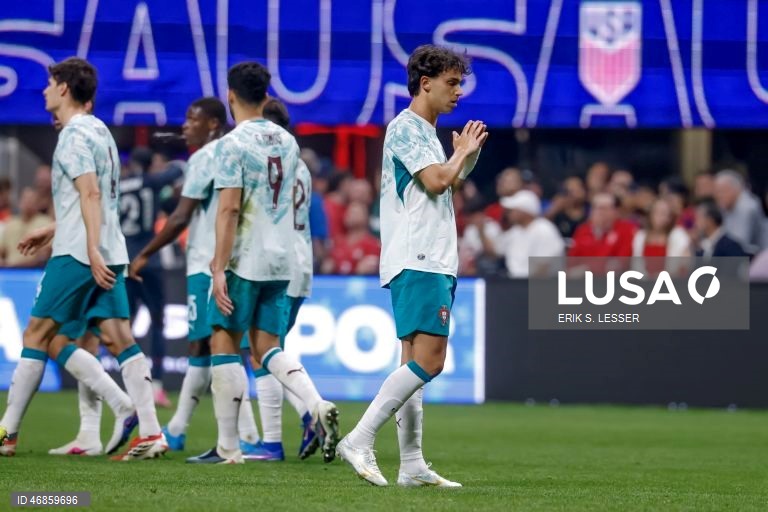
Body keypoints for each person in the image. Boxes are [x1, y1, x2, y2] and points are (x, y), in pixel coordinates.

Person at [0, 57, 165, 460]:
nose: (43, 90)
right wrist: (55, 229)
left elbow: (91, 194)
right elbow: (100, 198)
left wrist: (87, 248)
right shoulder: (101, 132)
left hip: (80, 252)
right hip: (111, 248)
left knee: (38, 336)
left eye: (49, 82)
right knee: (118, 339)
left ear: (64, 89)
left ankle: (8, 432)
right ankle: (149, 429)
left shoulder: (73, 135)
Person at [337, 44, 487, 487]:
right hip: (420, 257)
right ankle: (360, 438)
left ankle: (412, 464)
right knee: (432, 360)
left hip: (430, 255)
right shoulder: (406, 128)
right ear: (426, 83)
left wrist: (465, 155)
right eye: (452, 83)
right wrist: (460, 155)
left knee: (411, 362)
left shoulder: (424, 133)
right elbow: (439, 180)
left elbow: (448, 181)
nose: (459, 92)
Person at [187, 61, 338, 465]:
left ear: (231, 96)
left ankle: (228, 447)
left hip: (245, 259)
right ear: (267, 95)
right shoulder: (287, 142)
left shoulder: (231, 144)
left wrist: (218, 267)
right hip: (283, 260)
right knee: (267, 346)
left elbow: (229, 208)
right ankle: (315, 404)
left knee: (224, 342)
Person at [126, 97, 266, 456]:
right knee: (217, 348)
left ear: (214, 124)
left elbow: (178, 219)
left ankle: (205, 432)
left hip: (207, 264)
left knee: (213, 348)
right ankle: (206, 431)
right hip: (237, 262)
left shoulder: (207, 157)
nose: (185, 126)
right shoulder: (239, 153)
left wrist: (143, 254)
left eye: (193, 119)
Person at [241, 97, 320, 461]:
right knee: (271, 351)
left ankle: (286, 431)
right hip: (301, 263)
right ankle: (308, 416)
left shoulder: (268, 162)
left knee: (262, 352)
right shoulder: (299, 164)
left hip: (275, 261)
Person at [120, 145, 184, 407]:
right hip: (150, 258)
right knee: (158, 323)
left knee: (124, 323)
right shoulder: (154, 180)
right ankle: (156, 385)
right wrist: (165, 166)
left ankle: (128, 385)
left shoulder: (120, 183)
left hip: (125, 259)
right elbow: (181, 168)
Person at [495, 190, 565, 278]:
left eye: (512, 211)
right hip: (514, 283)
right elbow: (495, 251)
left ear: (525, 211)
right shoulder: (515, 231)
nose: (508, 214)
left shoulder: (544, 229)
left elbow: (545, 265)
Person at [0, 187, 52, 267]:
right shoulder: (10, 223)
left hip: (34, 270)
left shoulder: (46, 223)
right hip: (8, 271)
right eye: (25, 200)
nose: (28, 203)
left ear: (37, 204)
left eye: (31, 200)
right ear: (19, 203)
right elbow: (2, 250)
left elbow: (46, 254)